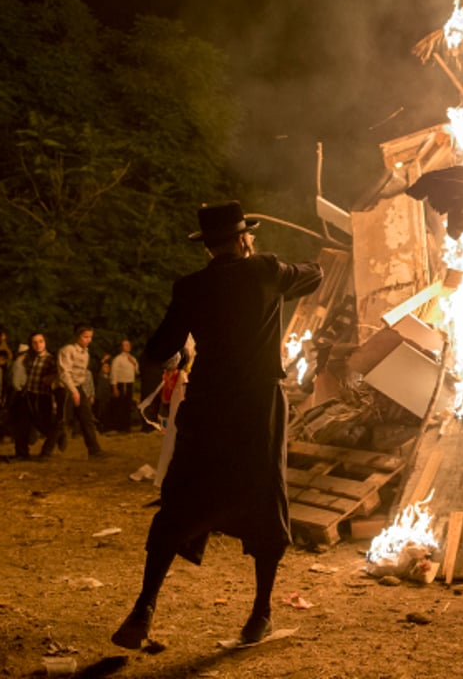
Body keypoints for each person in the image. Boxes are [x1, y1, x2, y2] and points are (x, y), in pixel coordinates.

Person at [112, 200, 322, 650]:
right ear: (244, 238)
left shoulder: (190, 287)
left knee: (182, 498)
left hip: (207, 405)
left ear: (208, 247)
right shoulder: (265, 269)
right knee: (266, 500)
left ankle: (143, 608)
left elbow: (160, 347)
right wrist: (293, 261)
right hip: (256, 406)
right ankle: (260, 613)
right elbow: (315, 274)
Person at [56, 325, 105, 459]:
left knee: (87, 418)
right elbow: (64, 373)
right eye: (85, 337)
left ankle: (94, 450)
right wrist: (73, 391)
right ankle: (48, 451)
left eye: (90, 337)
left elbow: (82, 375)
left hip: (78, 387)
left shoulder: (85, 352)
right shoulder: (68, 350)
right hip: (66, 388)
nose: (88, 340)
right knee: (63, 420)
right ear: (77, 336)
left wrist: (82, 391)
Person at [18, 333, 61, 460]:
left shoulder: (50, 359)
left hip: (43, 396)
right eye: (35, 342)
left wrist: (50, 378)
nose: (38, 345)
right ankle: (21, 453)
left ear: (45, 342)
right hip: (29, 394)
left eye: (40, 341)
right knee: (22, 423)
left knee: (44, 424)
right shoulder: (31, 358)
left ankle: (49, 448)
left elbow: (56, 375)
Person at [109, 339, 140, 432]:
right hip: (121, 384)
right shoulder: (117, 359)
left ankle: (127, 426)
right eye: (125, 345)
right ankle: (120, 426)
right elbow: (113, 373)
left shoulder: (133, 358)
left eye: (128, 345)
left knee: (128, 405)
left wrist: (134, 364)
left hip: (130, 383)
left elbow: (137, 372)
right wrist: (114, 387)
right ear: (121, 347)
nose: (128, 346)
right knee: (121, 405)